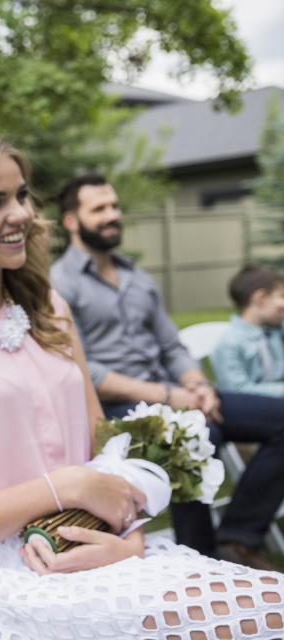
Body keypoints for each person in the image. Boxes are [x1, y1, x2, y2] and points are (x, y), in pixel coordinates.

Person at [0, 133, 284, 640]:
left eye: (21, 195)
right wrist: (60, 487)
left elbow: (106, 453)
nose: (20, 213)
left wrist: (126, 541)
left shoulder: (49, 308)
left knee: (267, 605)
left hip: (92, 545)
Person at [51, 173, 284, 570]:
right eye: (99, 209)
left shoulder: (138, 278)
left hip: (176, 396)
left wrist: (199, 384)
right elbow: (82, 370)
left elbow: (172, 346)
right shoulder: (59, 284)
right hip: (118, 410)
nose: (112, 215)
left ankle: (238, 537)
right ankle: (200, 562)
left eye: (114, 206)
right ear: (71, 220)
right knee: (194, 436)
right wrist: (165, 395)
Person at [211, 265, 284, 396]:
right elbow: (236, 391)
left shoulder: (275, 330)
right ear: (260, 298)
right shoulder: (229, 343)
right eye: (282, 296)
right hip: (249, 410)